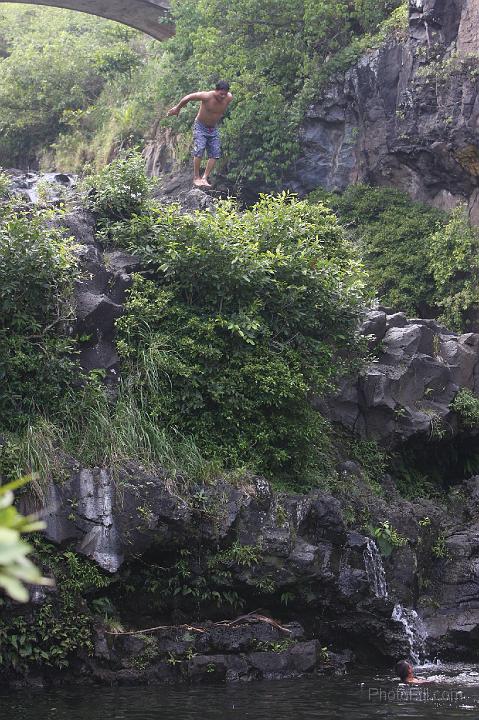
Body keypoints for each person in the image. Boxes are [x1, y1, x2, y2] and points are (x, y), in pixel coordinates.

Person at [167, 81, 233, 188]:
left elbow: (224, 101)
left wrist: (225, 96)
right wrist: (178, 108)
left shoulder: (229, 98)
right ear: (216, 90)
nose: (222, 96)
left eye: (224, 94)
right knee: (199, 149)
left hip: (213, 128)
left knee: (215, 153)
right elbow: (188, 97)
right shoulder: (206, 96)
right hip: (200, 126)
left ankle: (204, 178)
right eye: (221, 93)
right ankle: (196, 177)